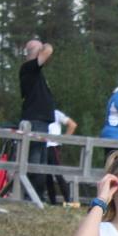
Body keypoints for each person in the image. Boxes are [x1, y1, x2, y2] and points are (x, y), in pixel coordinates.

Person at [19, 40, 56, 199]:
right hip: (35, 120)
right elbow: (49, 50)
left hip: (41, 121)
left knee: (41, 161)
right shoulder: (28, 67)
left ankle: (37, 196)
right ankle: (30, 195)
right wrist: (43, 47)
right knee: (34, 159)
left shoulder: (35, 71)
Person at [44, 108, 77, 205]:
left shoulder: (56, 113)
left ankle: (68, 200)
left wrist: (62, 140)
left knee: (58, 174)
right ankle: (52, 201)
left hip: (53, 146)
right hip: (43, 146)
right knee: (46, 176)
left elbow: (72, 125)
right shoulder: (41, 112)